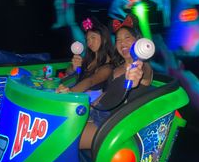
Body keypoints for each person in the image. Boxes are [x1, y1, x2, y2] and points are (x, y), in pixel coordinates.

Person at [79, 14, 153, 149]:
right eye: (118, 40)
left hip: (113, 124)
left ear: (138, 41)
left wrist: (135, 75)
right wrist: (94, 104)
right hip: (97, 112)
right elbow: (109, 91)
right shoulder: (117, 67)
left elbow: (144, 72)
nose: (122, 43)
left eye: (127, 38)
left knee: (67, 138)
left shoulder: (143, 66)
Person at [56, 17, 113, 98]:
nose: (89, 42)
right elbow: (68, 72)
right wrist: (73, 67)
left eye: (93, 37)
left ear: (104, 38)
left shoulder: (108, 67)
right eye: (88, 39)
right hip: (78, 97)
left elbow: (90, 81)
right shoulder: (87, 59)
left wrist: (70, 92)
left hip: (89, 103)